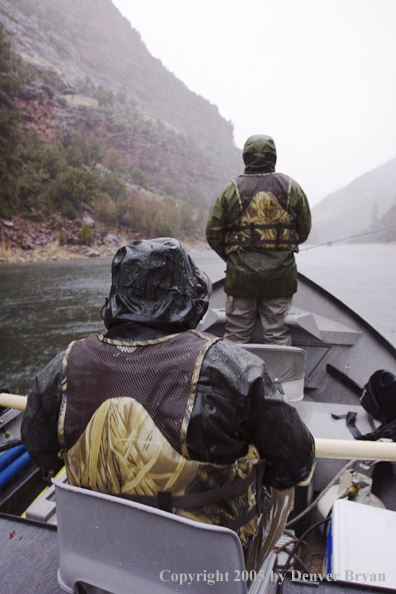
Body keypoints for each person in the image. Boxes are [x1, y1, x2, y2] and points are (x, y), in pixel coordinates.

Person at [22, 237, 314, 573]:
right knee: (282, 485)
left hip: (102, 556)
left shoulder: (64, 364)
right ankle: (253, 568)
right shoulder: (232, 367)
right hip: (203, 571)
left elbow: (39, 447)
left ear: (117, 296)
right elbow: (297, 461)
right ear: (190, 296)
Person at [206, 134, 311, 345]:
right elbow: (304, 229)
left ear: (246, 156)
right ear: (274, 156)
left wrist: (233, 258)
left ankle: (232, 377)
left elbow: (213, 233)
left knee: (236, 335)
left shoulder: (230, 190)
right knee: (277, 333)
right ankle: (278, 378)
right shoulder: (292, 188)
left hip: (241, 277)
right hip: (280, 277)